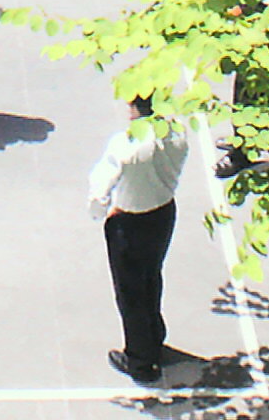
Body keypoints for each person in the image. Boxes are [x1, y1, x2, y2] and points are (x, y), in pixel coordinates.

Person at [89, 93, 189, 383]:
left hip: (129, 222)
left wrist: (101, 212)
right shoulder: (177, 135)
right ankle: (154, 336)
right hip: (163, 214)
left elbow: (99, 189)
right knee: (151, 276)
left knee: (130, 293)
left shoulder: (125, 145)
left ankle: (140, 361)